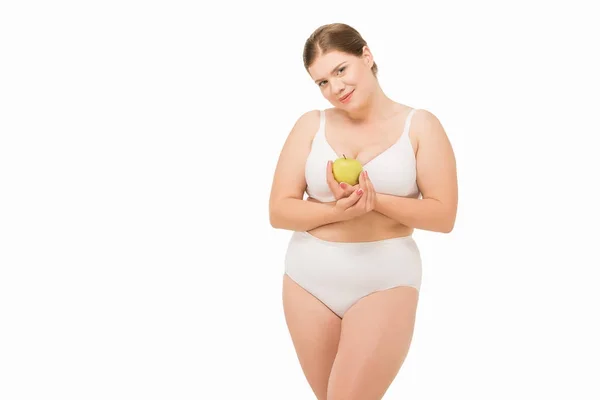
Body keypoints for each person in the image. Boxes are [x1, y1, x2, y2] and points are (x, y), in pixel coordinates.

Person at [269, 22, 458, 400]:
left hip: (384, 281)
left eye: (340, 70)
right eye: (322, 82)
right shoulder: (311, 124)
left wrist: (375, 201)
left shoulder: (419, 125)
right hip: (307, 281)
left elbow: (443, 216)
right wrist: (339, 211)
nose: (335, 88)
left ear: (366, 56)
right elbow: (279, 211)